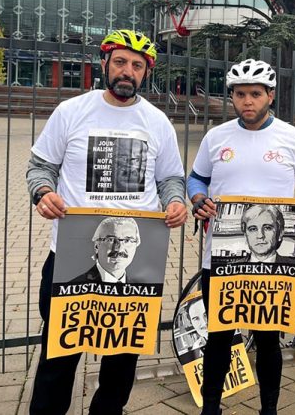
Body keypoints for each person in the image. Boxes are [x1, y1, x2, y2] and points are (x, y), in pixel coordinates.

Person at [26, 29, 188, 415]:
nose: (127, 71)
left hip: (135, 260)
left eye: (137, 65)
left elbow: (170, 178)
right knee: (58, 357)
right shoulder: (71, 112)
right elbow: (40, 166)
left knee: (122, 361)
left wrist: (175, 201)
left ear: (146, 72)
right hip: (71, 257)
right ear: (104, 64)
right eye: (120, 62)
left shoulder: (157, 121)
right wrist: (42, 192)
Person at [188, 58, 295, 415]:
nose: (247, 101)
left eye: (255, 94)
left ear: (270, 95)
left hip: (274, 261)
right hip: (221, 256)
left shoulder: (292, 137)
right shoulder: (216, 137)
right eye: (240, 94)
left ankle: (269, 409)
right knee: (219, 337)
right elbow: (197, 179)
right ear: (232, 97)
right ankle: (210, 407)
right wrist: (198, 200)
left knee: (269, 339)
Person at [69, 217, 140, 284]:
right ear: (96, 246)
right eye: (111, 240)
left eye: (127, 240)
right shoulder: (73, 288)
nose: (119, 249)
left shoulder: (142, 290)